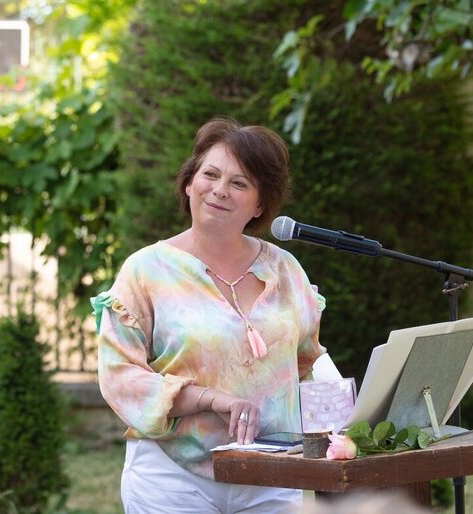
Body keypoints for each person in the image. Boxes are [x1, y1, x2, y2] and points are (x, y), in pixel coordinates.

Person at [91, 117, 326, 514]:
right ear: (189, 183)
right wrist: (207, 399)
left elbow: (308, 364)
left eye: (239, 183)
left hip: (273, 475)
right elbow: (120, 377)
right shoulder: (146, 270)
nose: (219, 190)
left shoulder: (285, 270)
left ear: (260, 203)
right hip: (173, 476)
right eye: (210, 174)